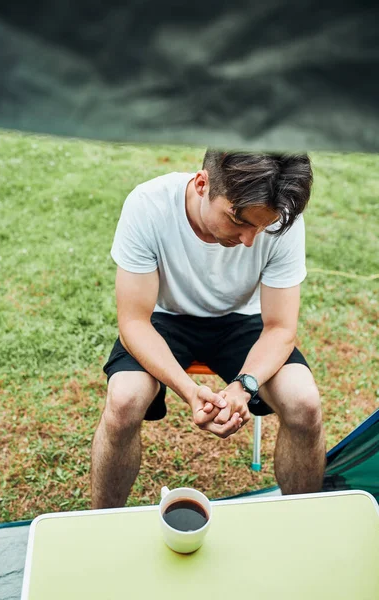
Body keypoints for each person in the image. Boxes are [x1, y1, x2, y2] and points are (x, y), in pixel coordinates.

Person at [91, 150, 326, 509]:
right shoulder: (148, 204)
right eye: (239, 221)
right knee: (123, 401)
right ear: (202, 184)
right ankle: (101, 525)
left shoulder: (283, 218)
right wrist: (189, 391)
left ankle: (304, 524)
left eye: (261, 227)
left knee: (304, 403)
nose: (249, 241)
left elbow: (279, 329)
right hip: (164, 318)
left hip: (243, 322)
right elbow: (134, 323)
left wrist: (244, 386)